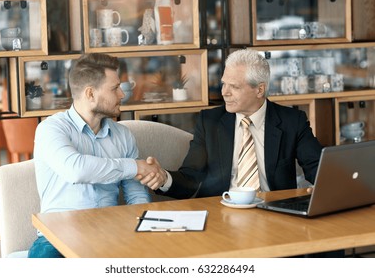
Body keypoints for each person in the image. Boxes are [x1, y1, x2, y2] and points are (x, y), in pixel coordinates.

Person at [139, 49, 343, 257]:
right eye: (224, 83)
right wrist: (165, 178)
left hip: (278, 219)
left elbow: (318, 167)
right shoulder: (209, 122)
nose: (224, 92)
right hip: (222, 221)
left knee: (331, 246)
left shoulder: (292, 121)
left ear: (259, 90)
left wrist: (325, 186)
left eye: (234, 86)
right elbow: (192, 177)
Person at [28, 53, 165, 258]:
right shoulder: (51, 129)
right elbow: (76, 170)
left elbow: (136, 195)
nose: (122, 94)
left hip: (110, 234)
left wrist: (143, 230)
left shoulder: (123, 135)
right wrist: (136, 167)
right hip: (56, 239)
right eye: (115, 88)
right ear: (90, 94)